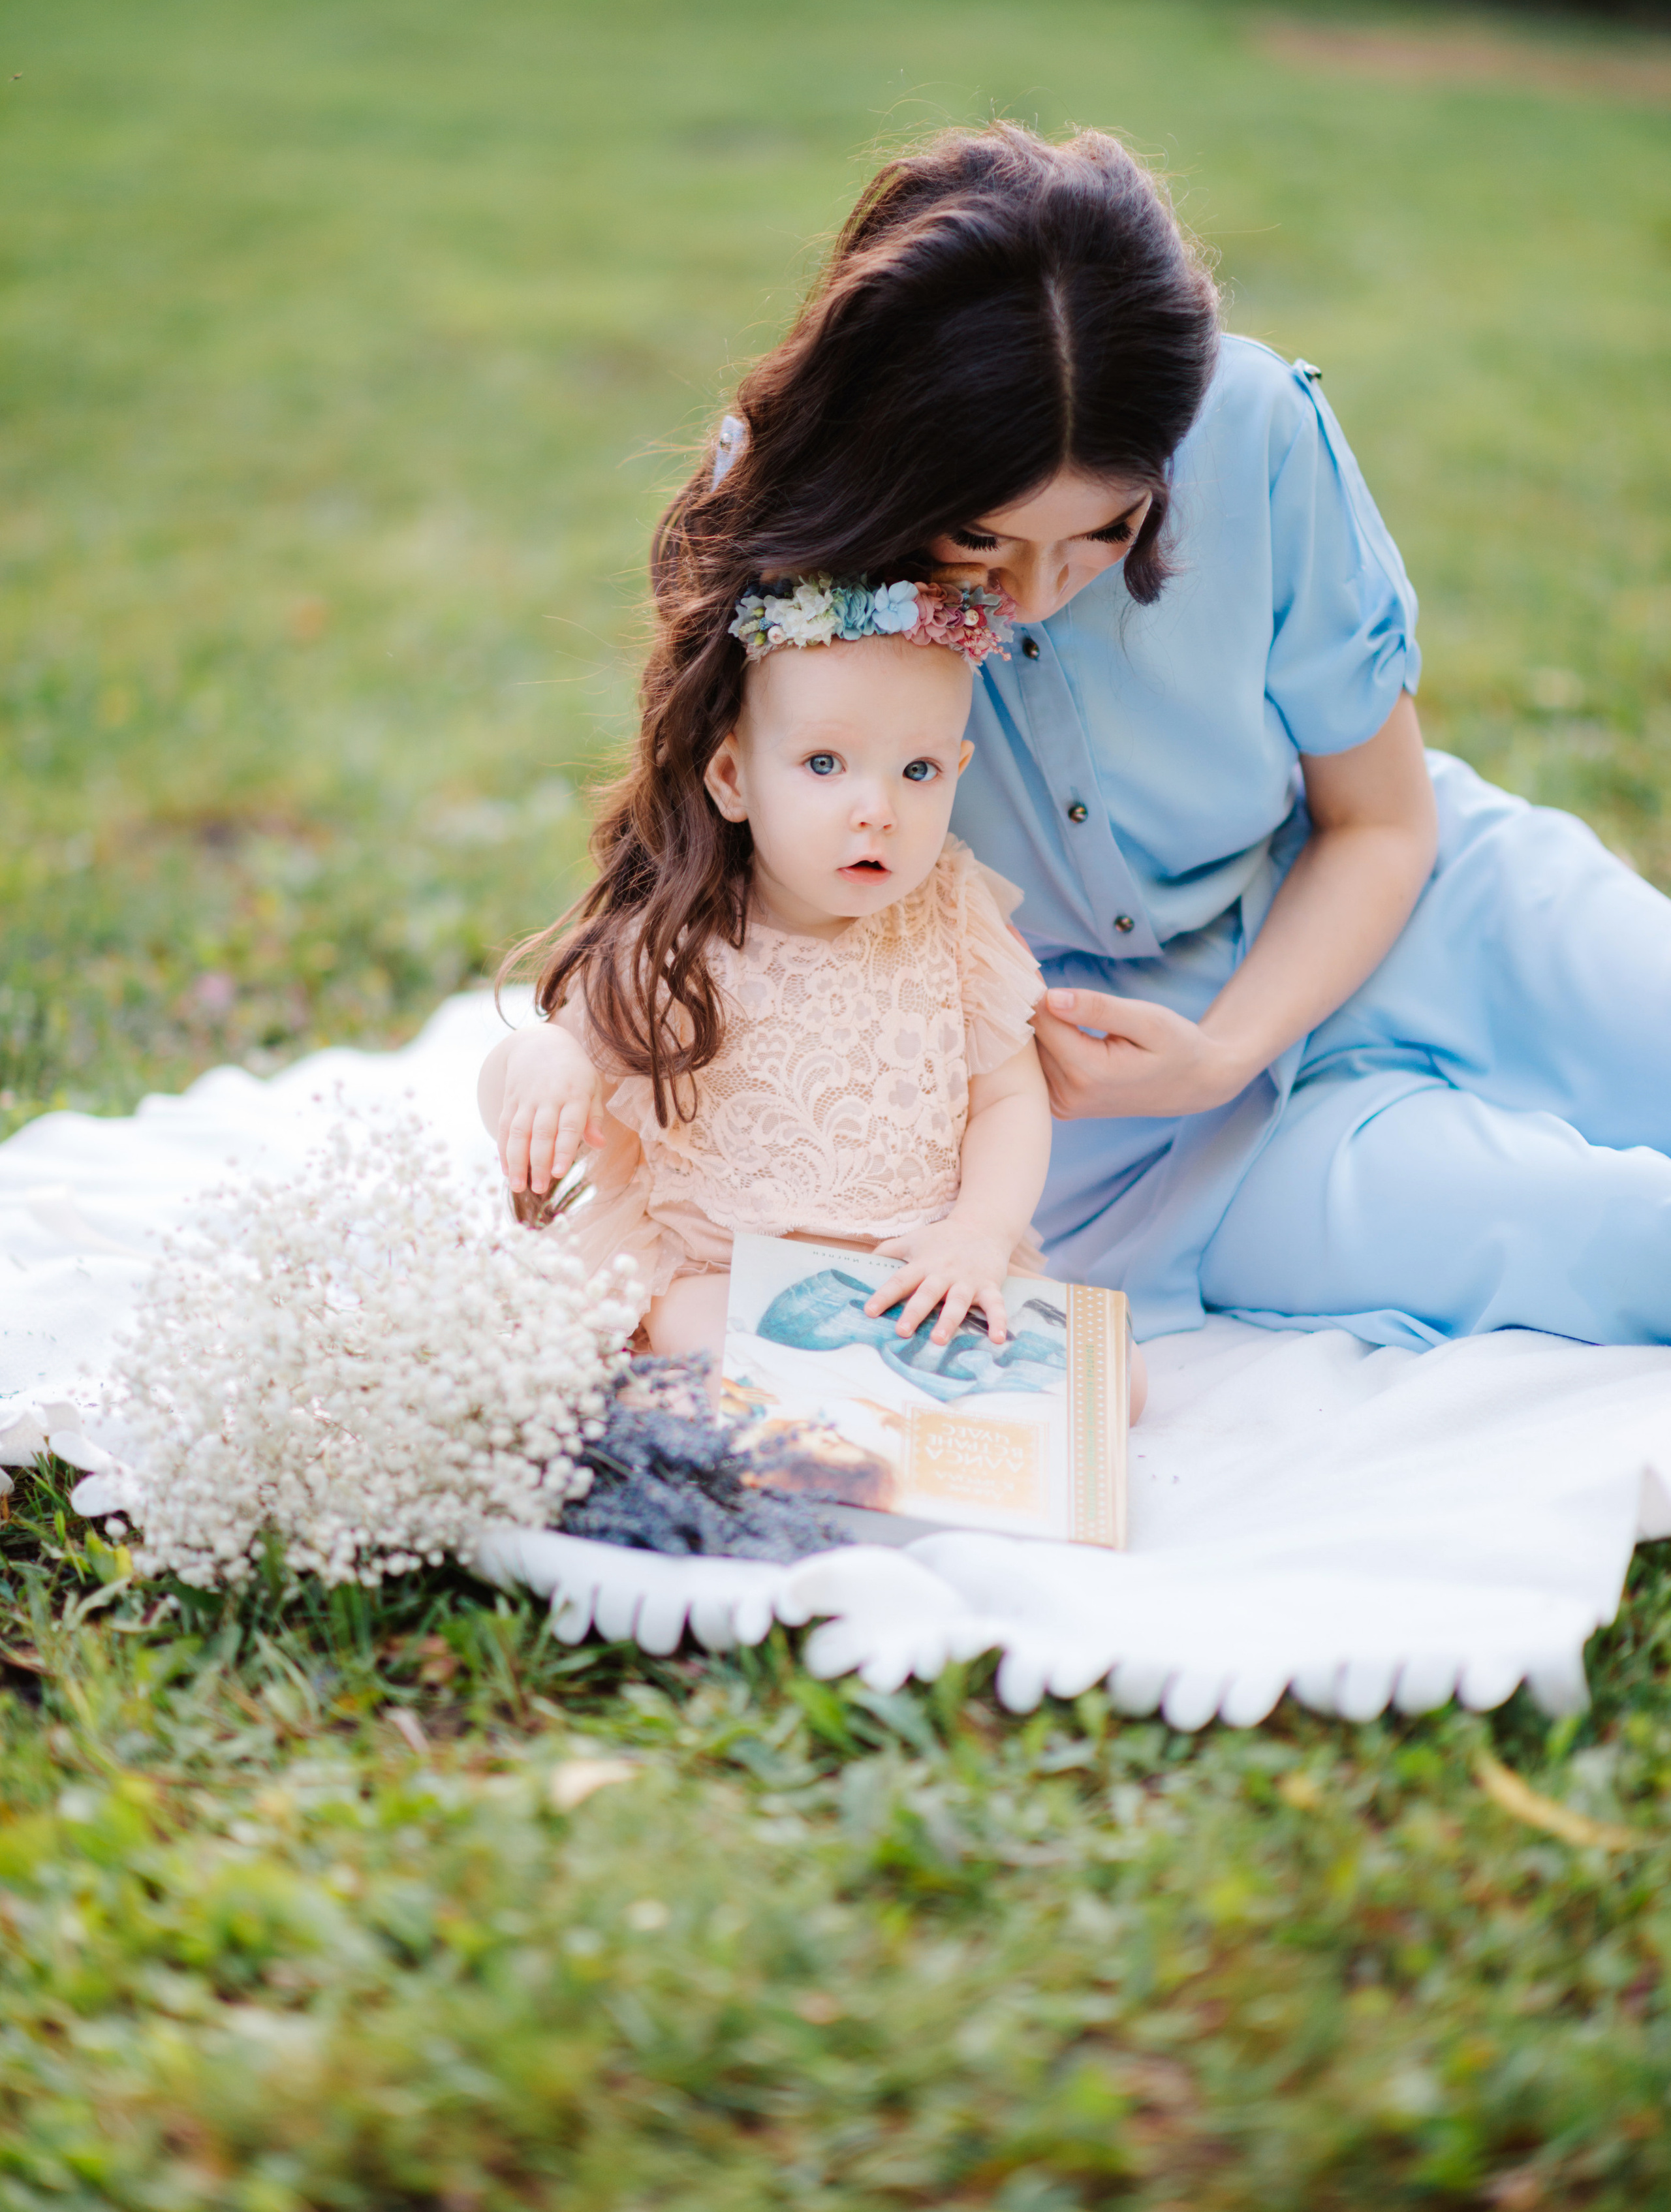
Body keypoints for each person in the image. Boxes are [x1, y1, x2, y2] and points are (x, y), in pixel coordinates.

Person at [492, 119, 1671, 1355]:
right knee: (1599, 1240)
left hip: (1412, 906)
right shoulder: (791, 521)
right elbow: (710, 859)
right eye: (982, 543)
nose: (1043, 594)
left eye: (1106, 534)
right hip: (1112, 1109)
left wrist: (1226, 1048)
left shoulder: (1255, 425)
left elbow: (1379, 820)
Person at [480, 572, 1156, 1414]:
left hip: (920, 1270)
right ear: (732, 776)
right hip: (722, 1273)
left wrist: (976, 1236)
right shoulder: (680, 936)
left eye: (918, 770)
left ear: (960, 769)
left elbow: (1009, 1100)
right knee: (724, 1355)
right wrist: (542, 1058)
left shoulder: (953, 914)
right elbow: (539, 1074)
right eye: (824, 764)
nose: (876, 810)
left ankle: (888, 1410)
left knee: (1107, 1390)